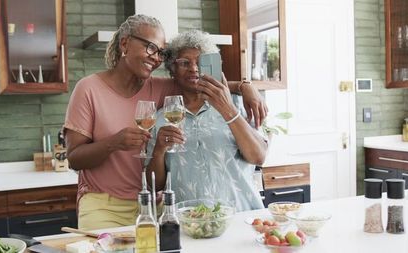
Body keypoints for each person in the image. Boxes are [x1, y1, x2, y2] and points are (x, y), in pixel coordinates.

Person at [64, 15, 267, 230]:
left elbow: (197, 83)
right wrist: (114, 143)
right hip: (105, 206)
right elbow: (74, 159)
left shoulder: (164, 90)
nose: (156, 57)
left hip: (155, 206)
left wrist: (246, 87)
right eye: (150, 47)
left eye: (160, 52)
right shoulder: (89, 89)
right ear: (125, 43)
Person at [146, 30, 267, 212]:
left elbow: (258, 157)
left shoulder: (239, 103)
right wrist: (159, 149)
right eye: (184, 63)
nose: (194, 68)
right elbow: (155, 185)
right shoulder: (161, 119)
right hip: (190, 221)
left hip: (240, 215)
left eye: (200, 63)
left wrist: (228, 109)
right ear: (172, 70)